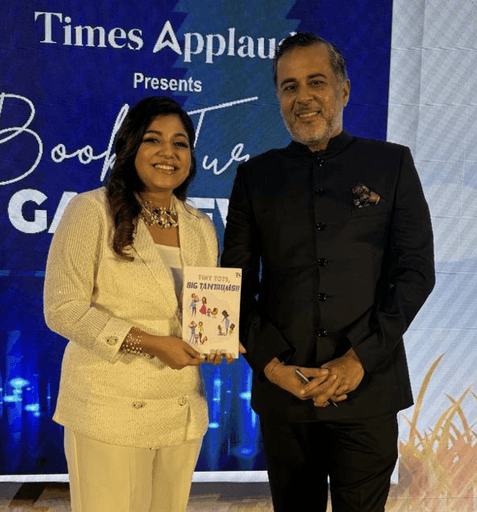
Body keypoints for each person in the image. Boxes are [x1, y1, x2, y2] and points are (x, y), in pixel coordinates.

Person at [221, 33, 435, 512]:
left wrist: (358, 360)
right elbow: (234, 284)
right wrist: (273, 367)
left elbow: (416, 272)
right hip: (285, 393)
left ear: (344, 89)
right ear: (279, 98)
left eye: (315, 82)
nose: (303, 97)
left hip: (368, 388)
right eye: (289, 86)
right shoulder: (255, 177)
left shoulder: (391, 164)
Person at [44, 96, 233, 512]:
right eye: (153, 139)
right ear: (130, 147)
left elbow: (202, 310)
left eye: (180, 143)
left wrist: (219, 339)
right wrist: (149, 343)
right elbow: (63, 309)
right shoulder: (90, 210)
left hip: (181, 409)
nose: (168, 152)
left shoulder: (200, 226)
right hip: (107, 410)